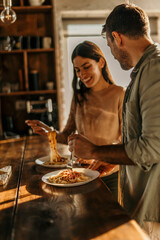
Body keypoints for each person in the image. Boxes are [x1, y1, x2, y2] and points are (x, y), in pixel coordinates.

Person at [68, 3, 160, 239]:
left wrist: (96, 151)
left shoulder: (154, 70)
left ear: (117, 38)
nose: (111, 52)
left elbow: (151, 149)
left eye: (109, 45)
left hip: (153, 207)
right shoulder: (144, 70)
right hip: (140, 199)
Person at [26, 40, 125, 200]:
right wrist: (49, 132)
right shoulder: (79, 97)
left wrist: (99, 156)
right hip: (80, 173)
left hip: (109, 175)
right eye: (77, 70)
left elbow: (125, 143)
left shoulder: (120, 94)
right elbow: (67, 136)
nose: (82, 74)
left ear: (100, 62)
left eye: (86, 67)